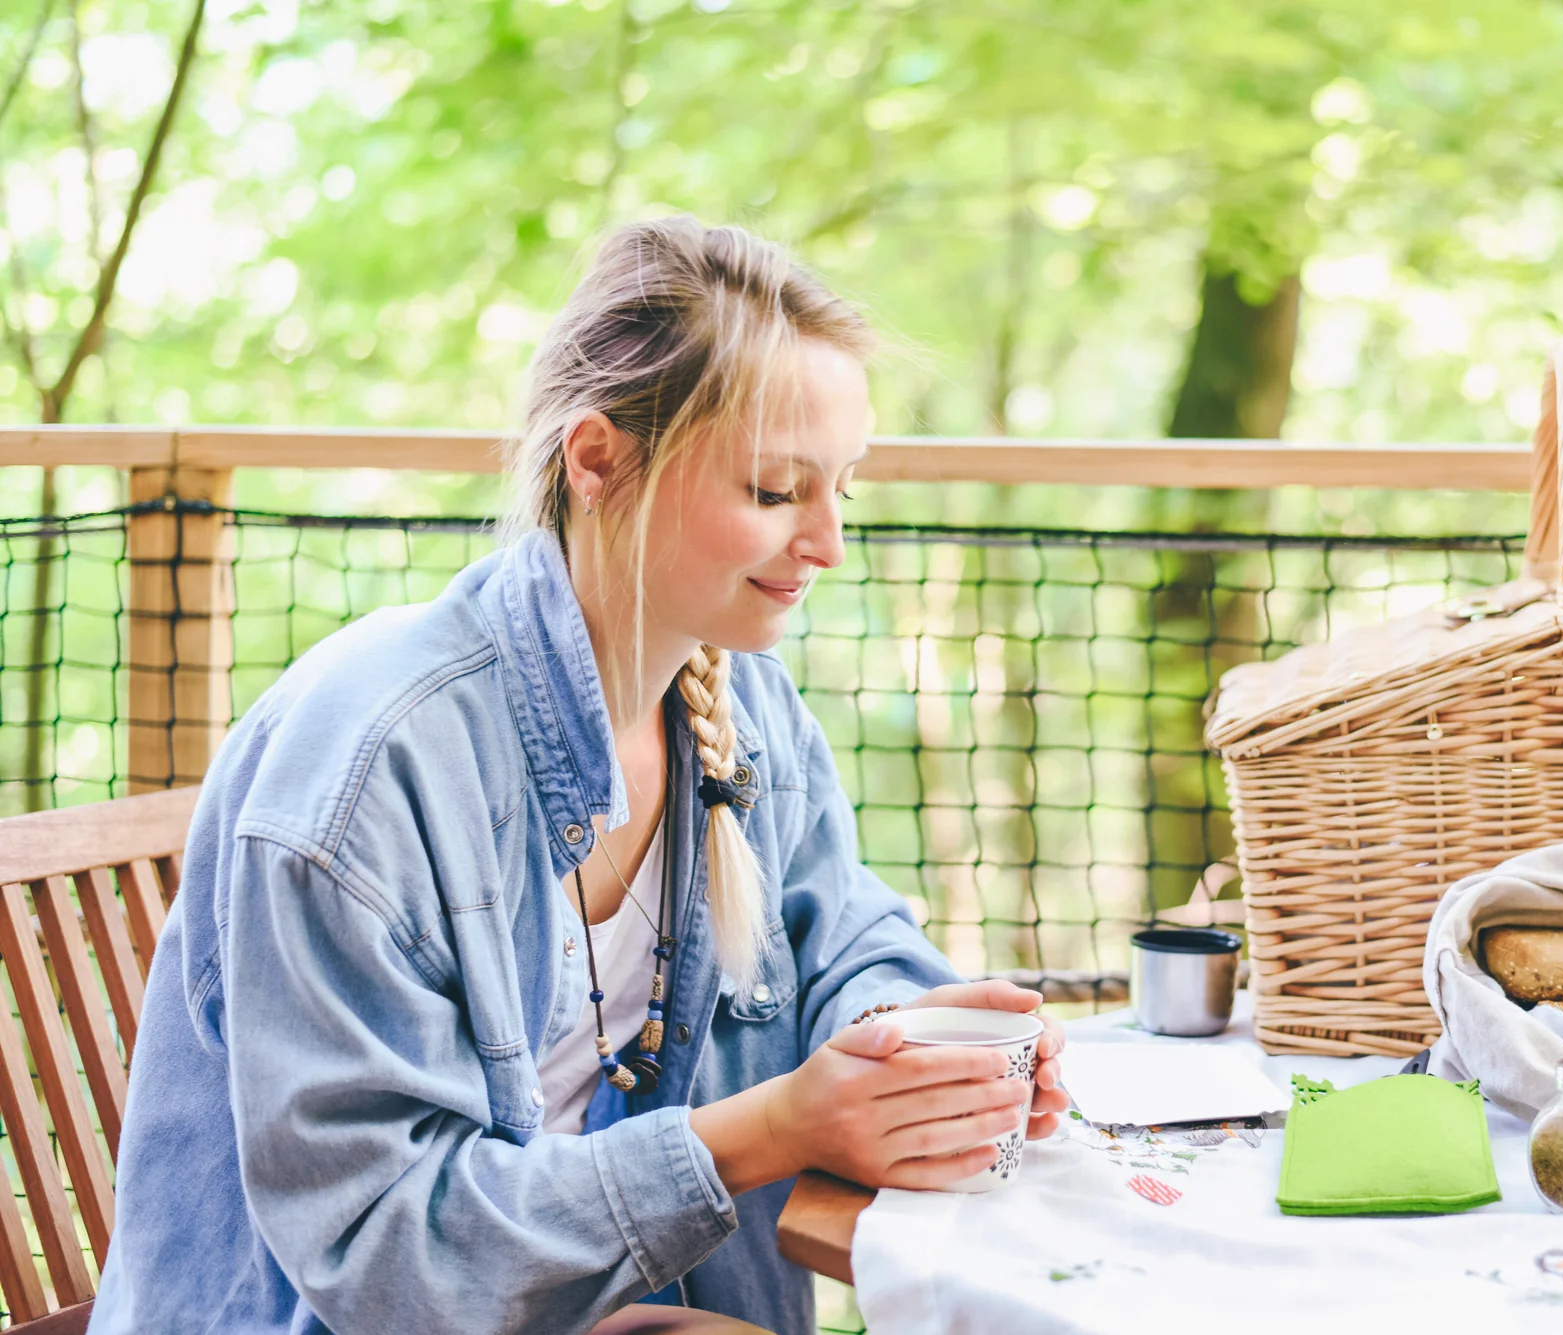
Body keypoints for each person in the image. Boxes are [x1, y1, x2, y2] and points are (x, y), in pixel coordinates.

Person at [90, 217, 1068, 1335]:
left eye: (842, 486)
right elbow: (384, 1250)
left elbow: (841, 940)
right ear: (597, 460)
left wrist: (912, 1041)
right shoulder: (375, 759)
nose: (827, 543)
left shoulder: (747, 710)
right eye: (772, 489)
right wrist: (780, 1126)